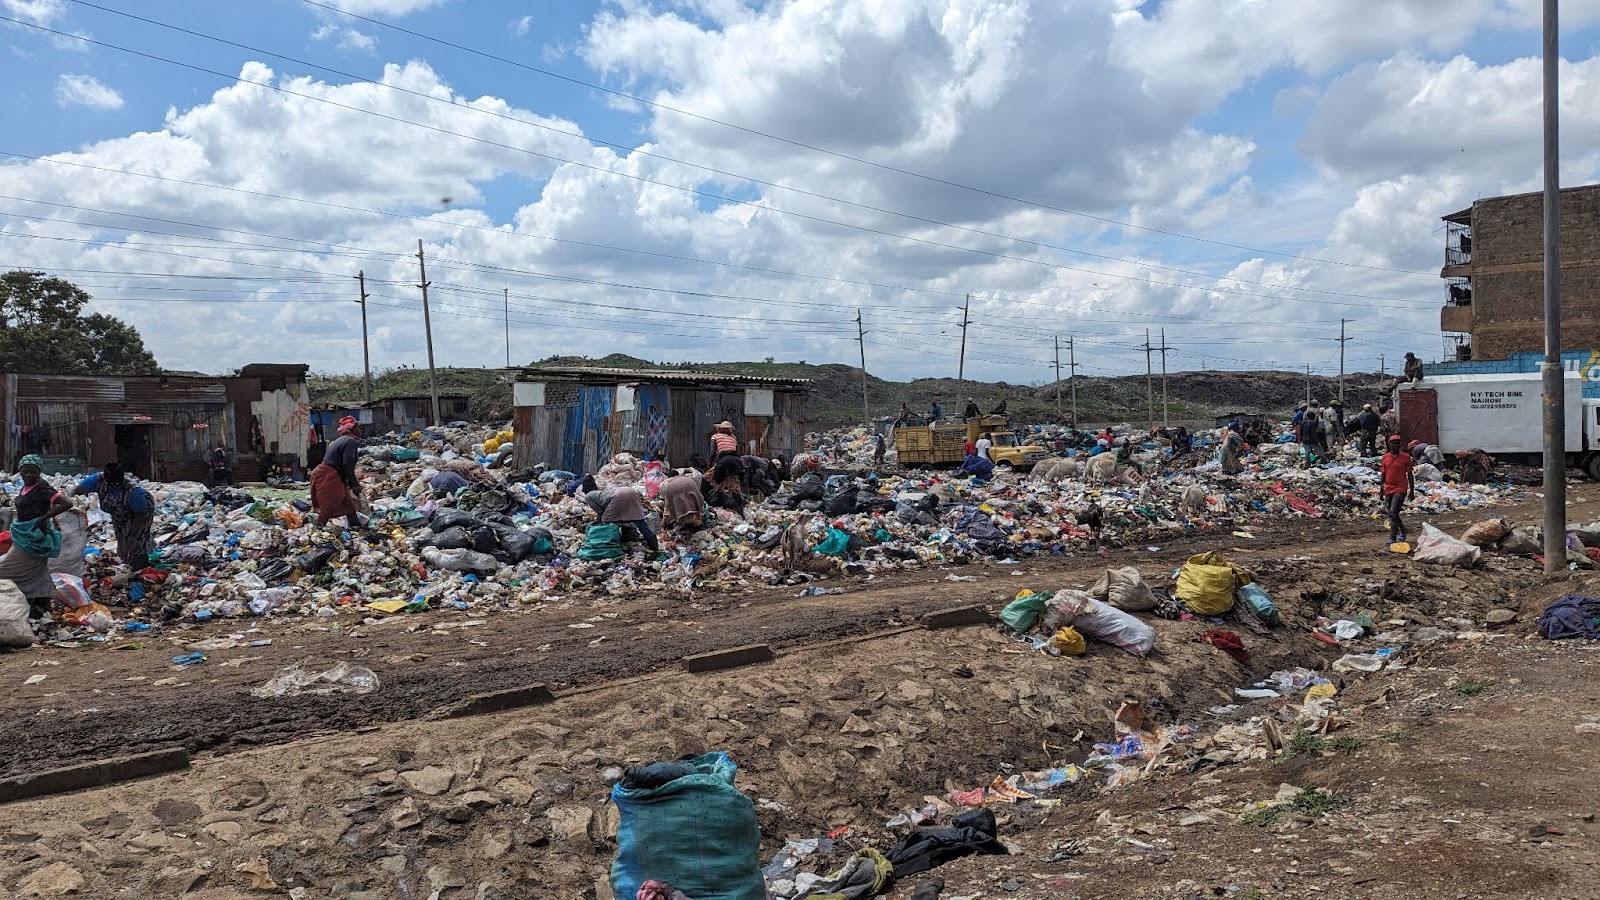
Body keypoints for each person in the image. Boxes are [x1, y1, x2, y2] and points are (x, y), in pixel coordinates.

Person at [0, 455, 73, 628]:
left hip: (33, 540)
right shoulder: (26, 487)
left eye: (33, 472)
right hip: (25, 536)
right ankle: (41, 609)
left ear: (39, 472)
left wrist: (44, 518)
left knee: (4, 571)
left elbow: (66, 503)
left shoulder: (42, 488)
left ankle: (17, 605)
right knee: (38, 573)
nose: (29, 475)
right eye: (25, 471)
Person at [72, 462, 154, 570]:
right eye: (111, 483)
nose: (114, 485)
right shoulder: (97, 480)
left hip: (141, 512)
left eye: (117, 483)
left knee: (138, 539)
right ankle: (126, 562)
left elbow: (140, 516)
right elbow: (77, 490)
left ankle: (141, 565)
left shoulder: (134, 491)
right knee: (122, 536)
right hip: (119, 512)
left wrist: (133, 536)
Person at [310, 415, 363, 528]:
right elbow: (347, 465)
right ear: (350, 429)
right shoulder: (350, 442)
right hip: (329, 475)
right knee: (329, 504)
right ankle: (318, 529)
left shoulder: (340, 440)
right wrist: (355, 484)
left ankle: (357, 527)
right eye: (357, 427)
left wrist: (349, 482)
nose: (360, 430)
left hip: (329, 473)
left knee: (347, 503)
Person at [585, 485, 660, 554]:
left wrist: (598, 521)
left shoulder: (588, 497)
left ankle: (609, 546)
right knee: (640, 522)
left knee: (606, 520)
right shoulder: (603, 492)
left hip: (618, 496)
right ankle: (654, 548)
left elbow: (600, 512)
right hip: (632, 492)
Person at [1381, 435, 1415, 544]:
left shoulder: (1405, 457)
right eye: (1393, 443)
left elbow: (1410, 474)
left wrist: (1412, 490)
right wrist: (1381, 489)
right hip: (1388, 487)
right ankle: (1403, 530)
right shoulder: (1385, 457)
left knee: (1393, 511)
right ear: (1389, 444)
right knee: (1392, 514)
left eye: (1397, 443)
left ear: (1400, 445)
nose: (1395, 445)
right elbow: (1383, 474)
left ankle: (1392, 537)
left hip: (1401, 487)